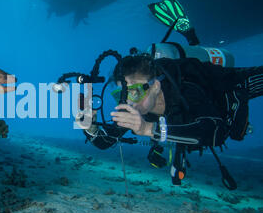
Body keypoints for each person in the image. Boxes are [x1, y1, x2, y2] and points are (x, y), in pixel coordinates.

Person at [82, 53, 263, 189]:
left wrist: (148, 128)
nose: (129, 102)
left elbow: (215, 133)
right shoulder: (137, 107)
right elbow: (106, 142)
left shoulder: (186, 90)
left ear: (155, 87)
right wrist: (89, 127)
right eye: (122, 94)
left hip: (229, 88)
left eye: (135, 92)